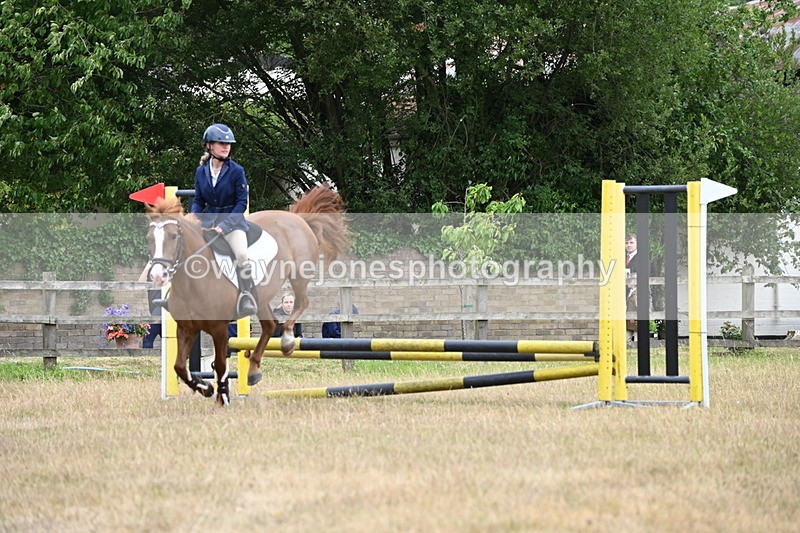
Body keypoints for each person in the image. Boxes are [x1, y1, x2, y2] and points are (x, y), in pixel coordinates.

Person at [190, 123, 257, 317]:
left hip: (233, 223)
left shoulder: (236, 171)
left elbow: (241, 204)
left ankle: (246, 295)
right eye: (221, 143)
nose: (226, 147)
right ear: (209, 146)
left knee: (242, 255)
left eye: (228, 144)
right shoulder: (201, 171)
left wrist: (224, 226)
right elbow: (198, 200)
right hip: (208, 222)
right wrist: (194, 219)